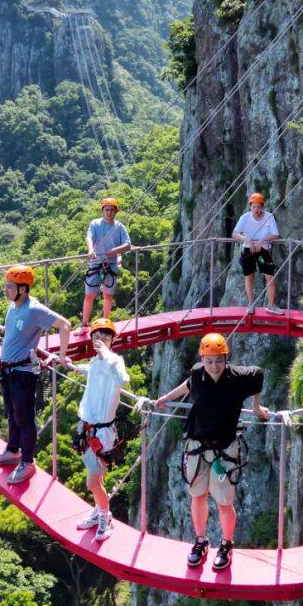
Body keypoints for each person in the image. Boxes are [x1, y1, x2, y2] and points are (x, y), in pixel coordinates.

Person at [155, 333, 270, 571]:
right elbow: (189, 384)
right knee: (197, 495)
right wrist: (167, 397)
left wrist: (257, 407)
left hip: (224, 447)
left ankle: (226, 545)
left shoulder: (239, 377)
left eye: (219, 360)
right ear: (202, 360)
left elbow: (259, 374)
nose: (214, 366)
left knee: (223, 501)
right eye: (209, 361)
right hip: (197, 445)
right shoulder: (198, 373)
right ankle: (201, 542)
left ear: (226, 358)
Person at [0, 265, 71, 485]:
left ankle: (27, 462)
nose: (5, 290)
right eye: (6, 286)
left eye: (9, 287)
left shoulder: (34, 309)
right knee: (12, 415)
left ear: (23, 289)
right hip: (8, 369)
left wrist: (62, 355)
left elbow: (65, 324)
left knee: (24, 419)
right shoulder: (13, 306)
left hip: (23, 372)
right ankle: (13, 450)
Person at [67, 317, 129, 543]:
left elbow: (122, 379)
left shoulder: (115, 360)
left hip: (101, 433)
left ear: (112, 340)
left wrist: (106, 354)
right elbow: (93, 371)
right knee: (95, 479)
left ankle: (105, 516)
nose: (100, 340)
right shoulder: (96, 361)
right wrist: (73, 366)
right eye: (96, 336)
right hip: (87, 429)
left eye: (105, 337)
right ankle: (99, 510)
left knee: (92, 483)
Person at [82, 197, 131, 328]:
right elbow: (89, 237)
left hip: (111, 264)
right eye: (107, 210)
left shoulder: (119, 227)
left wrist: (113, 251)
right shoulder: (95, 224)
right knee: (89, 295)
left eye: (112, 210)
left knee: (108, 295)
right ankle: (84, 324)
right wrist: (90, 249)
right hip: (96, 263)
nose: (109, 212)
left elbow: (127, 245)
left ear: (116, 211)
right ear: (102, 211)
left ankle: (105, 323)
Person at [232, 192, 282, 313]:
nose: (256, 210)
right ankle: (251, 304)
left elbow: (275, 235)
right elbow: (235, 234)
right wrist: (246, 239)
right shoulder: (245, 218)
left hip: (263, 250)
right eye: (254, 207)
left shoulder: (269, 216)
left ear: (262, 207)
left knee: (270, 276)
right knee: (249, 276)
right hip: (248, 249)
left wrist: (262, 240)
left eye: (259, 207)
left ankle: (271, 305)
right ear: (250, 206)